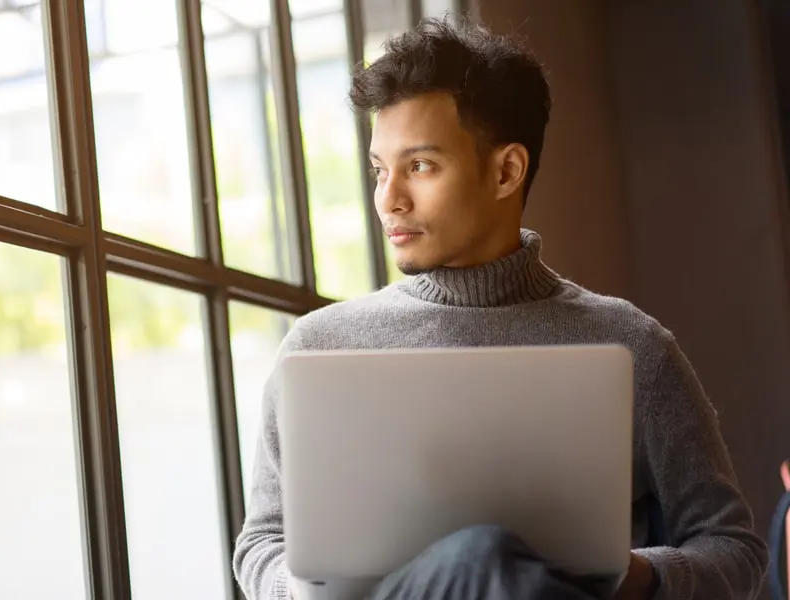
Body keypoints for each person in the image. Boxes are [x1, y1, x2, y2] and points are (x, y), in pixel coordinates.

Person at [232, 17, 769, 600]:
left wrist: (627, 572)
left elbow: (734, 550)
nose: (389, 198)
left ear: (506, 170)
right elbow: (261, 543)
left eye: (419, 166)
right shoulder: (318, 348)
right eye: (380, 170)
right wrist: (301, 590)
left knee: (488, 561)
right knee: (478, 557)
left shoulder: (630, 344)